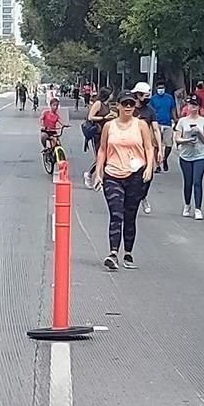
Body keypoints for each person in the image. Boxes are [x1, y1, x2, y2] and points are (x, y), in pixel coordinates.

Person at [94, 91, 154, 270]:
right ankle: (113, 253)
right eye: (124, 103)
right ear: (118, 106)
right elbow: (102, 150)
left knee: (130, 215)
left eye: (131, 103)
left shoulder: (141, 125)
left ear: (134, 106)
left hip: (135, 175)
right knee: (116, 214)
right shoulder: (109, 126)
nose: (128, 107)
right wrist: (98, 172)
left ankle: (128, 253)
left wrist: (149, 167)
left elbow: (149, 148)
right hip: (112, 174)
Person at [175, 96, 204, 219]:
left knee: (197, 181)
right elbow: (177, 139)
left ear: (199, 107)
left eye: (195, 105)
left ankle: (198, 209)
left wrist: (199, 133)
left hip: (200, 155)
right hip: (186, 155)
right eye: (191, 105)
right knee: (188, 182)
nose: (192, 107)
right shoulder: (182, 121)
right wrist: (187, 140)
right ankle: (187, 204)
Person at [130, 82, 161, 214]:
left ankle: (143, 196)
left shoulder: (150, 111)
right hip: (130, 147)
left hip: (146, 147)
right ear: (137, 95)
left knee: (149, 174)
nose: (147, 98)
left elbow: (155, 129)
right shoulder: (129, 109)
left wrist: (160, 148)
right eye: (144, 95)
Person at [83, 87, 114, 188]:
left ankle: (100, 179)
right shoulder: (98, 104)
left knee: (106, 157)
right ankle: (90, 174)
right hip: (98, 133)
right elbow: (90, 117)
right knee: (100, 157)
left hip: (106, 133)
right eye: (111, 94)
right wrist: (103, 118)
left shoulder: (106, 105)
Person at [150, 80, 178, 173]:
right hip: (156, 124)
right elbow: (151, 111)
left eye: (162, 88)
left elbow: (173, 109)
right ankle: (157, 165)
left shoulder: (169, 98)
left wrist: (175, 119)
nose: (160, 89)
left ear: (165, 88)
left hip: (167, 123)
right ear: (156, 88)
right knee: (156, 145)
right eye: (159, 88)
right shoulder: (153, 99)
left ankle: (165, 159)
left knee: (169, 145)